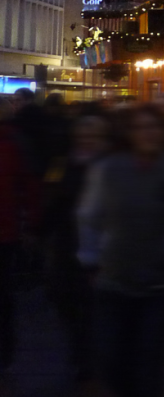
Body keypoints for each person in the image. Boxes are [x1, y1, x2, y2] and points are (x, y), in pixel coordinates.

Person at [77, 104, 164, 397]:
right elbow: (90, 216)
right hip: (115, 277)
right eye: (141, 127)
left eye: (154, 126)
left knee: (149, 360)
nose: (148, 133)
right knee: (110, 358)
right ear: (130, 133)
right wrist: (90, 259)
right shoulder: (109, 169)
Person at [43, 113, 111, 382]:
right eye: (83, 135)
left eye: (93, 136)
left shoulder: (109, 164)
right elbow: (54, 198)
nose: (86, 140)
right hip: (67, 239)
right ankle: (80, 347)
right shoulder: (63, 163)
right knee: (64, 297)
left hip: (98, 242)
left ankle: (87, 357)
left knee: (91, 302)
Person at [0, 99, 39, 369]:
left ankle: (5, 347)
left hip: (5, 230)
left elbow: (30, 186)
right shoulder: (15, 142)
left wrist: (31, 224)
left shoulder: (14, 143)